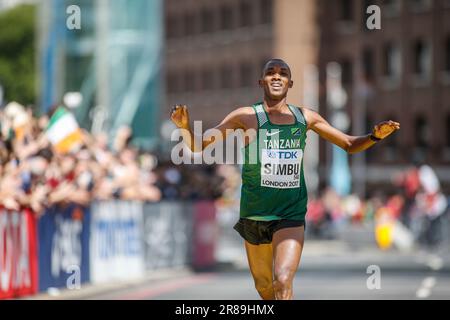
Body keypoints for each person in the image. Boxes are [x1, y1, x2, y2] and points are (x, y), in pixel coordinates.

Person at [170, 58, 400, 300]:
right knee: (264, 287)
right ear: (262, 82)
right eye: (271, 73)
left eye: (283, 73)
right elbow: (200, 145)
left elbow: (349, 144)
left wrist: (374, 136)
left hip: (290, 213)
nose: (277, 76)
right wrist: (185, 127)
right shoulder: (246, 117)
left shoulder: (306, 118)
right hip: (255, 213)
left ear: (290, 83)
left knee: (282, 280)